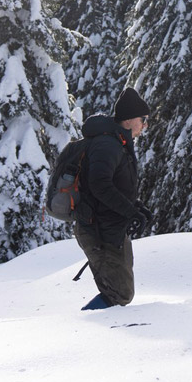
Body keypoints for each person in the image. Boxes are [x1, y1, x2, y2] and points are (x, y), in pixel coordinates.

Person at [74, 87, 154, 310]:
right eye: (143, 119)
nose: (145, 125)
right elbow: (99, 185)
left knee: (119, 293)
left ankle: (90, 332)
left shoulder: (117, 143)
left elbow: (114, 187)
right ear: (129, 120)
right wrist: (130, 212)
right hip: (98, 230)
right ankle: (78, 330)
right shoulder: (107, 145)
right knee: (120, 293)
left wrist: (136, 208)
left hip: (110, 229)